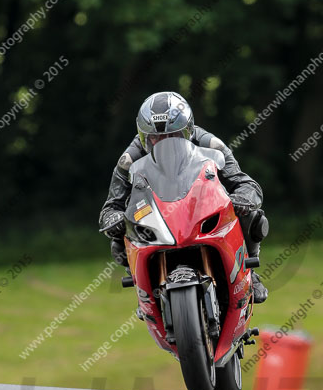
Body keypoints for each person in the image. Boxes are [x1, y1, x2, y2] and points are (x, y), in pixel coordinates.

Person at [99, 91, 269, 302]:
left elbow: (244, 182)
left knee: (254, 216)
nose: (164, 143)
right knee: (119, 236)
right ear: (143, 136)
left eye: (172, 136)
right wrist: (113, 219)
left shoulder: (211, 144)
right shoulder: (129, 159)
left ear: (187, 130)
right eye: (156, 137)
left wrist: (244, 197)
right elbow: (111, 206)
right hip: (155, 214)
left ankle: (250, 274)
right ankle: (144, 289)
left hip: (201, 204)